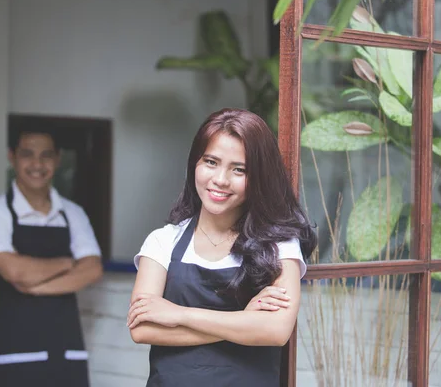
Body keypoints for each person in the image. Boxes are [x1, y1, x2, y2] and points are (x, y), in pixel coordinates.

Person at [127, 108, 317, 386]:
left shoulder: (278, 246)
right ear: (195, 163)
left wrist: (179, 314)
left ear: (259, 176)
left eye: (238, 169)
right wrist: (243, 322)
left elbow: (275, 331)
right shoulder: (163, 240)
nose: (220, 179)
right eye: (211, 162)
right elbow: (142, 328)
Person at [0, 123, 103, 387]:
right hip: (12, 350)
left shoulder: (73, 213)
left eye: (46, 155)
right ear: (12, 157)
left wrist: (35, 287)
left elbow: (91, 269)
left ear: (57, 159)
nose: (37, 164)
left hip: (66, 351)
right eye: (27, 154)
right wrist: (67, 263)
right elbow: (15, 271)